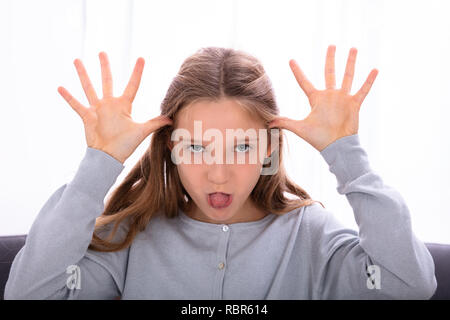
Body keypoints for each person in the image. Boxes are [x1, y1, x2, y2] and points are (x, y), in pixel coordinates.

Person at [4, 46, 437, 300]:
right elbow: (29, 293)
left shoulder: (311, 237)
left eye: (242, 147)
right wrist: (99, 165)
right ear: (170, 149)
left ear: (269, 148)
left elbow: (408, 285)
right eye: (195, 147)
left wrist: (349, 158)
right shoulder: (133, 238)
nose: (217, 174)